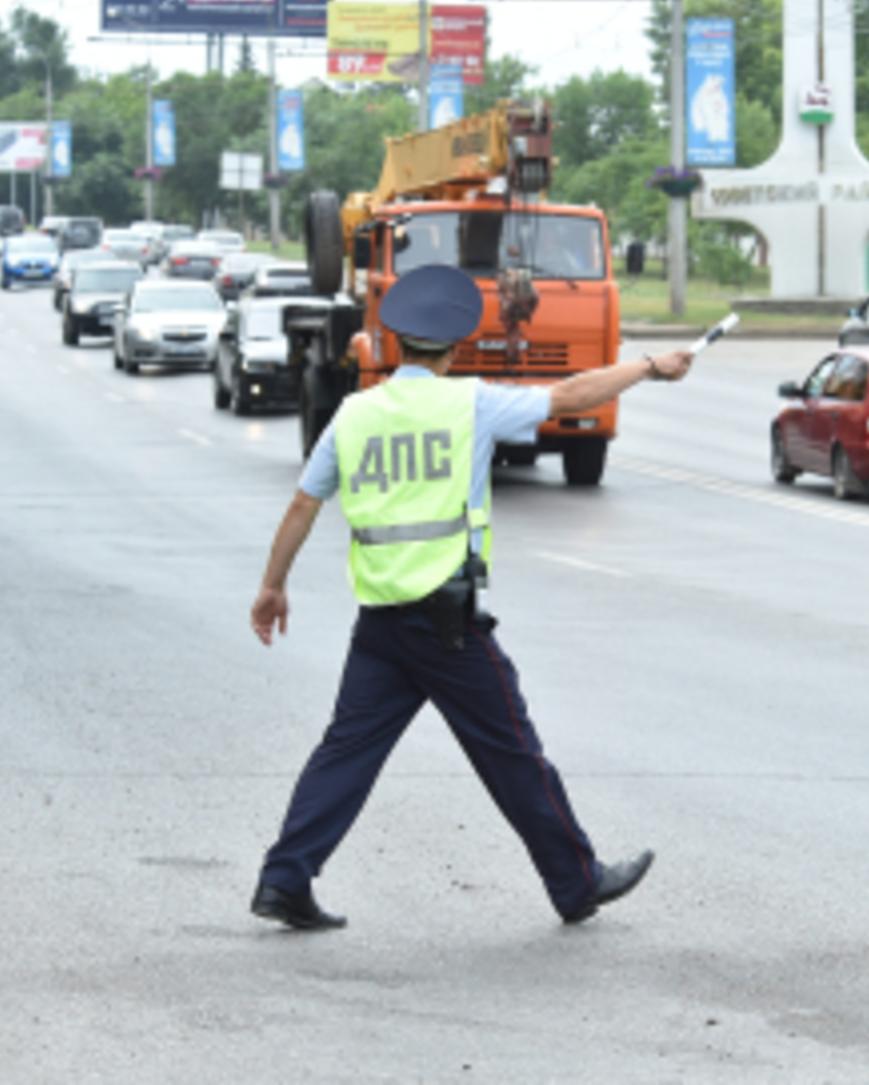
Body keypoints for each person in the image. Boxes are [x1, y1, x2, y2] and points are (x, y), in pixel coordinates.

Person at [248, 263, 694, 931]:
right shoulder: (470, 403)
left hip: (380, 622)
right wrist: (651, 367)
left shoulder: (354, 413)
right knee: (513, 751)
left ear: (395, 344)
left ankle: (284, 880)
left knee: (345, 751)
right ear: (453, 349)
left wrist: (272, 586)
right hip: (446, 623)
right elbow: (572, 396)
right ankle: (577, 883)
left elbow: (302, 505)